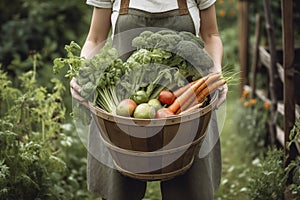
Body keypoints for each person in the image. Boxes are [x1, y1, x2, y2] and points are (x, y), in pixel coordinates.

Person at [70, 0, 228, 199]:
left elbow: (211, 35)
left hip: (187, 106)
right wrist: (82, 71)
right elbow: (95, 39)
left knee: (188, 192)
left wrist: (216, 72)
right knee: (121, 193)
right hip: (122, 109)